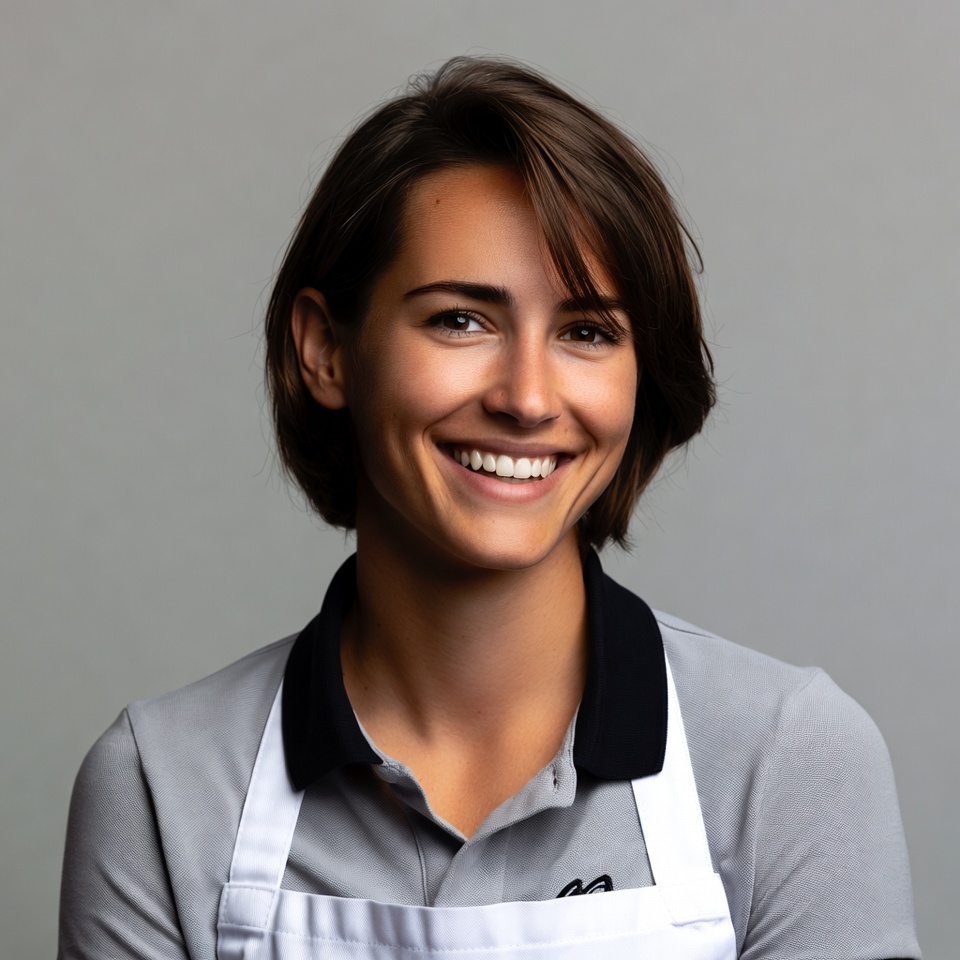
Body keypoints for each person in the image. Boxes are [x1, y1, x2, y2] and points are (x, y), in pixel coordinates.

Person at [58, 57, 920, 960]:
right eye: (461, 320)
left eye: (587, 332)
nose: (528, 397)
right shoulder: (160, 784)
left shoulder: (786, 760)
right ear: (325, 352)